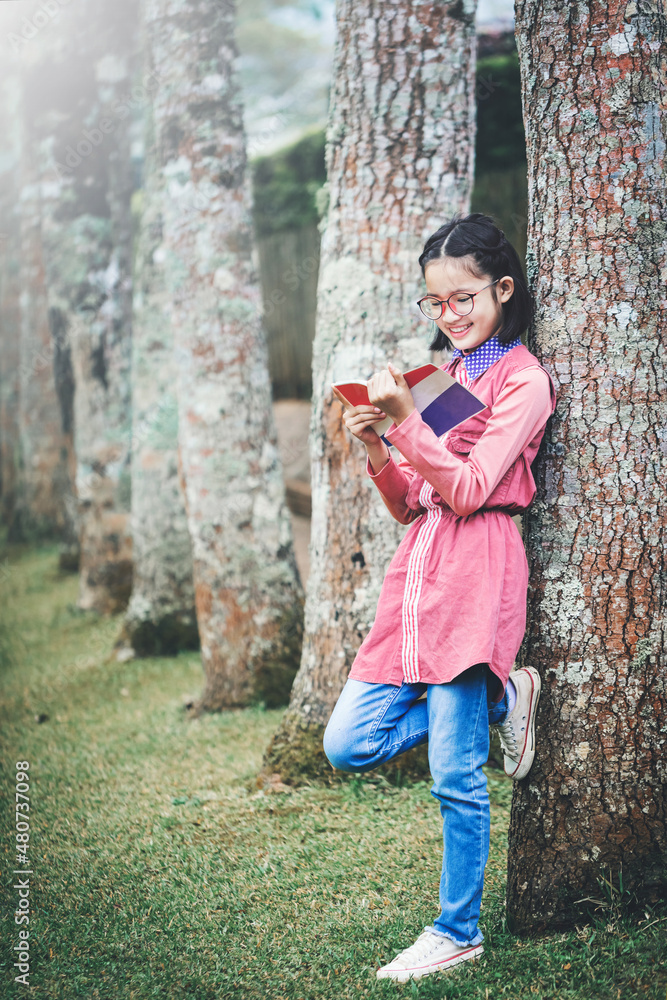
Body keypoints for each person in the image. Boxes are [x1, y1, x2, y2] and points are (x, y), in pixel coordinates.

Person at [325, 212, 556, 983]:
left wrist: (405, 425)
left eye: (463, 299)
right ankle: (501, 700)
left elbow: (467, 491)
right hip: (416, 577)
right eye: (435, 303)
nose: (449, 315)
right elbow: (411, 501)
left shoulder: (522, 380)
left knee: (454, 777)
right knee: (347, 742)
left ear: (501, 289)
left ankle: (456, 930)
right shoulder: (449, 382)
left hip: (476, 568)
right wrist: (374, 443)